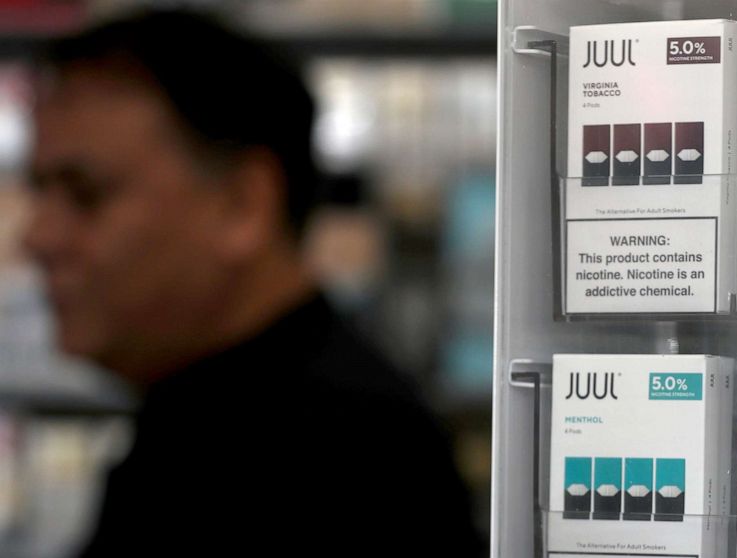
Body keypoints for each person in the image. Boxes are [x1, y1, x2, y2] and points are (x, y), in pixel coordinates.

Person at [24, 10, 481, 556]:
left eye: (84, 194)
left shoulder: (330, 462)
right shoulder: (214, 424)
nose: (40, 238)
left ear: (244, 205)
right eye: (39, 192)